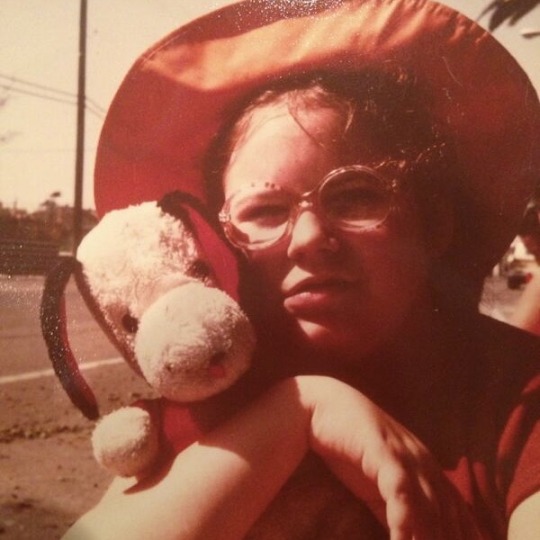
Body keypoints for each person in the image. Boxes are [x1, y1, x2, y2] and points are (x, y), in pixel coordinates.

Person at [63, 0, 540, 538]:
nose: (310, 240)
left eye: (355, 196)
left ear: (433, 221)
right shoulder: (218, 394)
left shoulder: (515, 395)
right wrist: (302, 412)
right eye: (265, 211)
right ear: (217, 244)